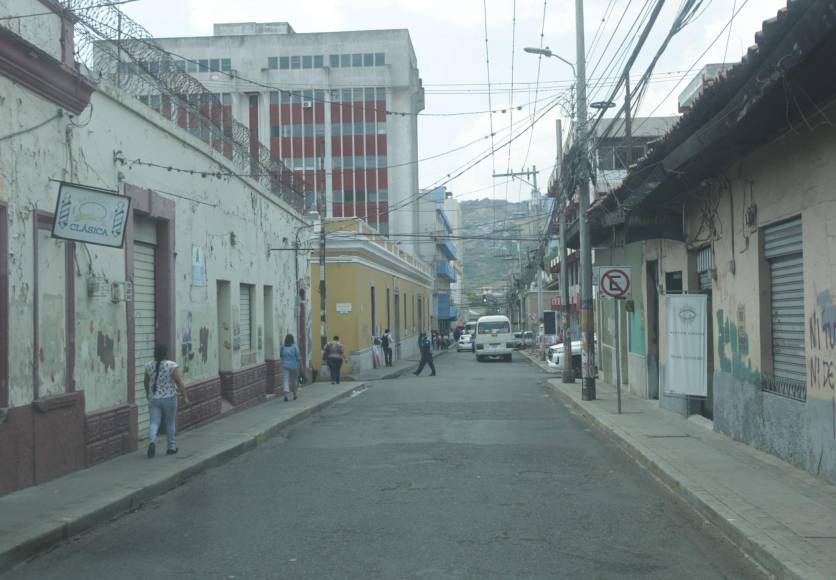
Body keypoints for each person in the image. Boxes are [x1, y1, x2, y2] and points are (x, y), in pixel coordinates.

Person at [144, 344, 190, 458]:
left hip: (154, 398)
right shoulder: (171, 365)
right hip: (169, 398)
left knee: (154, 422)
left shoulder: (148, 366)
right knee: (170, 423)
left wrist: (147, 393)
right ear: (165, 353)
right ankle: (171, 447)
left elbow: (145, 381)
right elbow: (178, 382)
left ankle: (152, 442)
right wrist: (185, 397)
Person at [280, 333, 301, 402]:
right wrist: (300, 364)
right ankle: (294, 395)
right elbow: (298, 356)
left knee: (285, 380)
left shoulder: (283, 347)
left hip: (285, 365)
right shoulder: (295, 347)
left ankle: (285, 396)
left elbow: (281, 355)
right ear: (292, 339)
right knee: (293, 380)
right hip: (294, 366)